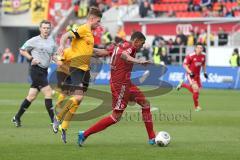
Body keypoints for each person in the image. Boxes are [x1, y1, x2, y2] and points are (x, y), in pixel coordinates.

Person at [77, 31, 157, 146]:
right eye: (142, 43)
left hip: (127, 83)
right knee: (116, 117)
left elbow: (102, 52)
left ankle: (152, 138)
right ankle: (84, 134)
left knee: (145, 104)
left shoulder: (120, 45)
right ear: (136, 41)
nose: (142, 46)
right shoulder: (131, 48)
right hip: (120, 85)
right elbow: (125, 56)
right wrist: (139, 61)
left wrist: (87, 49)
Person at [52, 7, 102, 143]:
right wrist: (61, 46)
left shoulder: (90, 34)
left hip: (85, 70)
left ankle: (63, 125)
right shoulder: (83, 29)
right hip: (76, 68)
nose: (99, 24)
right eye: (98, 21)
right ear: (91, 19)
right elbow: (65, 35)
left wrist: (105, 51)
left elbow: (90, 51)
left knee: (78, 100)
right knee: (77, 96)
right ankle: (58, 118)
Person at [12, 20, 57, 127]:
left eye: (48, 28)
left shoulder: (52, 41)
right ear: (40, 29)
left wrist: (58, 59)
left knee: (31, 96)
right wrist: (31, 58)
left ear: (50, 29)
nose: (46, 30)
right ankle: (53, 121)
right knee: (48, 93)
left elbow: (53, 55)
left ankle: (16, 117)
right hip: (36, 70)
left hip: (44, 71)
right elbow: (22, 50)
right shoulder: (34, 40)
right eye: (44, 28)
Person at [176, 43, 208, 111]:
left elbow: (204, 64)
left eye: (201, 48)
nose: (200, 49)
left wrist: (205, 72)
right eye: (198, 48)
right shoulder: (190, 56)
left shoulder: (203, 56)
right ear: (195, 48)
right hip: (190, 75)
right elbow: (184, 65)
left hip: (198, 75)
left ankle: (183, 85)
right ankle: (196, 107)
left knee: (196, 92)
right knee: (195, 89)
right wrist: (190, 72)